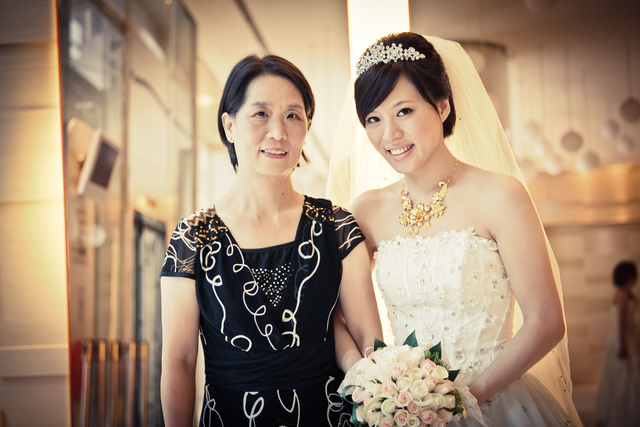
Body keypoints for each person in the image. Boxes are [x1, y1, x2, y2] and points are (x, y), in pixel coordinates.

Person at [327, 32, 583, 426]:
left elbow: (546, 323)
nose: (389, 134)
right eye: (373, 119)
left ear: (442, 106)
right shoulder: (367, 210)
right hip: (406, 412)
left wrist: (461, 400)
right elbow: (339, 315)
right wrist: (375, 383)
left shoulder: (500, 195)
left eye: (404, 111)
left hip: (497, 401)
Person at [160, 53, 381, 426]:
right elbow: (179, 361)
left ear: (307, 128)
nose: (278, 131)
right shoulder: (193, 237)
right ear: (229, 125)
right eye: (260, 114)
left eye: (293, 116)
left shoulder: (337, 226)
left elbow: (369, 342)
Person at [596, 260, 639, 427]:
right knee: (625, 376)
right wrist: (623, 346)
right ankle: (625, 414)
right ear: (630, 277)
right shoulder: (622, 295)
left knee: (626, 375)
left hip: (626, 337)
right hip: (623, 338)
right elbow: (622, 323)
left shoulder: (624, 294)